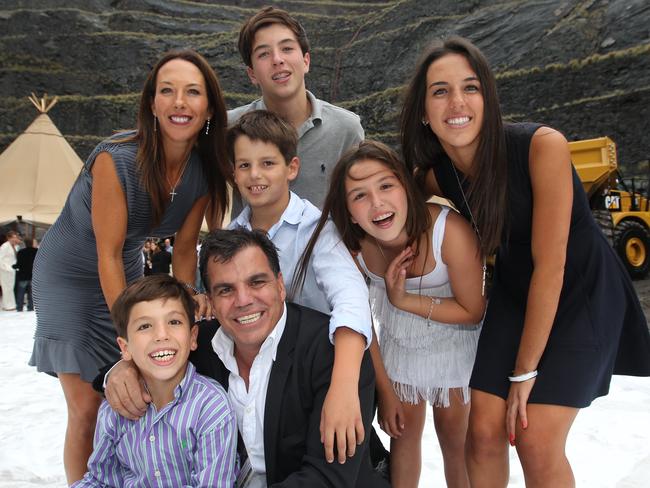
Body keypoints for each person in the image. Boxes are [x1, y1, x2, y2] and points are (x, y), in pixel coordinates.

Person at [400, 36, 650, 487]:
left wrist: (525, 373)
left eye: (470, 87)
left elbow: (552, 267)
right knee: (482, 435)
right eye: (440, 91)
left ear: (487, 97)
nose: (456, 102)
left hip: (580, 293)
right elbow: (391, 203)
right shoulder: (438, 175)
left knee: (533, 439)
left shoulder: (541, 147)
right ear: (423, 110)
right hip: (516, 294)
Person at [29, 49, 231, 484]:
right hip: (72, 277)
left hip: (124, 274)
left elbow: (183, 251)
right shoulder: (115, 158)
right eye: (168, 92)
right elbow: (107, 251)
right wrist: (130, 339)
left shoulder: (203, 171)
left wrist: (189, 301)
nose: (180, 102)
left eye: (192, 92)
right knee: (88, 406)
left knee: (128, 397)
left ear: (209, 107)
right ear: (152, 104)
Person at [103, 228, 390, 487]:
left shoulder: (331, 353)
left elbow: (329, 478)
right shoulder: (198, 343)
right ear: (211, 301)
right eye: (226, 290)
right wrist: (122, 368)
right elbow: (147, 353)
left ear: (280, 285)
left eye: (257, 282)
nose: (243, 300)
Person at [295, 141, 486, 487]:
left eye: (386, 185)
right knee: (403, 436)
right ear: (348, 211)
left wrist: (404, 300)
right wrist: (384, 388)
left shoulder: (448, 231)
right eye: (359, 196)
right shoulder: (355, 245)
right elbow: (359, 316)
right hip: (398, 346)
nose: (377, 203)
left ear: (406, 187)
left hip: (454, 346)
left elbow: (473, 310)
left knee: (455, 442)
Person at [227, 109, 373, 464]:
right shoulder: (230, 238)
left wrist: (342, 387)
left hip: (313, 370)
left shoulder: (317, 230)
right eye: (244, 165)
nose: (255, 175)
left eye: (267, 163)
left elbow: (351, 298)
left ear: (291, 168)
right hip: (254, 375)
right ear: (233, 173)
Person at [74, 275, 237, 487]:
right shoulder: (115, 408)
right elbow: (100, 480)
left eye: (174, 322)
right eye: (144, 326)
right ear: (125, 348)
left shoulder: (211, 407)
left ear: (193, 337)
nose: (161, 335)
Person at [228, 6, 364, 209]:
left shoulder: (346, 129)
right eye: (264, 54)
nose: (277, 59)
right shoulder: (229, 126)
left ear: (306, 61)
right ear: (252, 74)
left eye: (287, 49)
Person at [13, 237, 38, 311]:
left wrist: (13, 266)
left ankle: (19, 307)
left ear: (25, 244)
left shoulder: (21, 252)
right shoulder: (36, 251)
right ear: (32, 243)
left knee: (20, 292)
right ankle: (30, 307)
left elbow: (18, 264)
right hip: (33, 275)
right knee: (31, 293)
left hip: (23, 276)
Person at [0, 230, 21, 311]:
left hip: (13, 270)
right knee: (6, 288)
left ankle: (10, 304)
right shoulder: (4, 246)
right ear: (8, 238)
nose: (14, 239)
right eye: (12, 237)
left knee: (11, 288)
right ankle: (8, 306)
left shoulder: (15, 246)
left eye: (15, 237)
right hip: (5, 270)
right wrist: (7, 268)